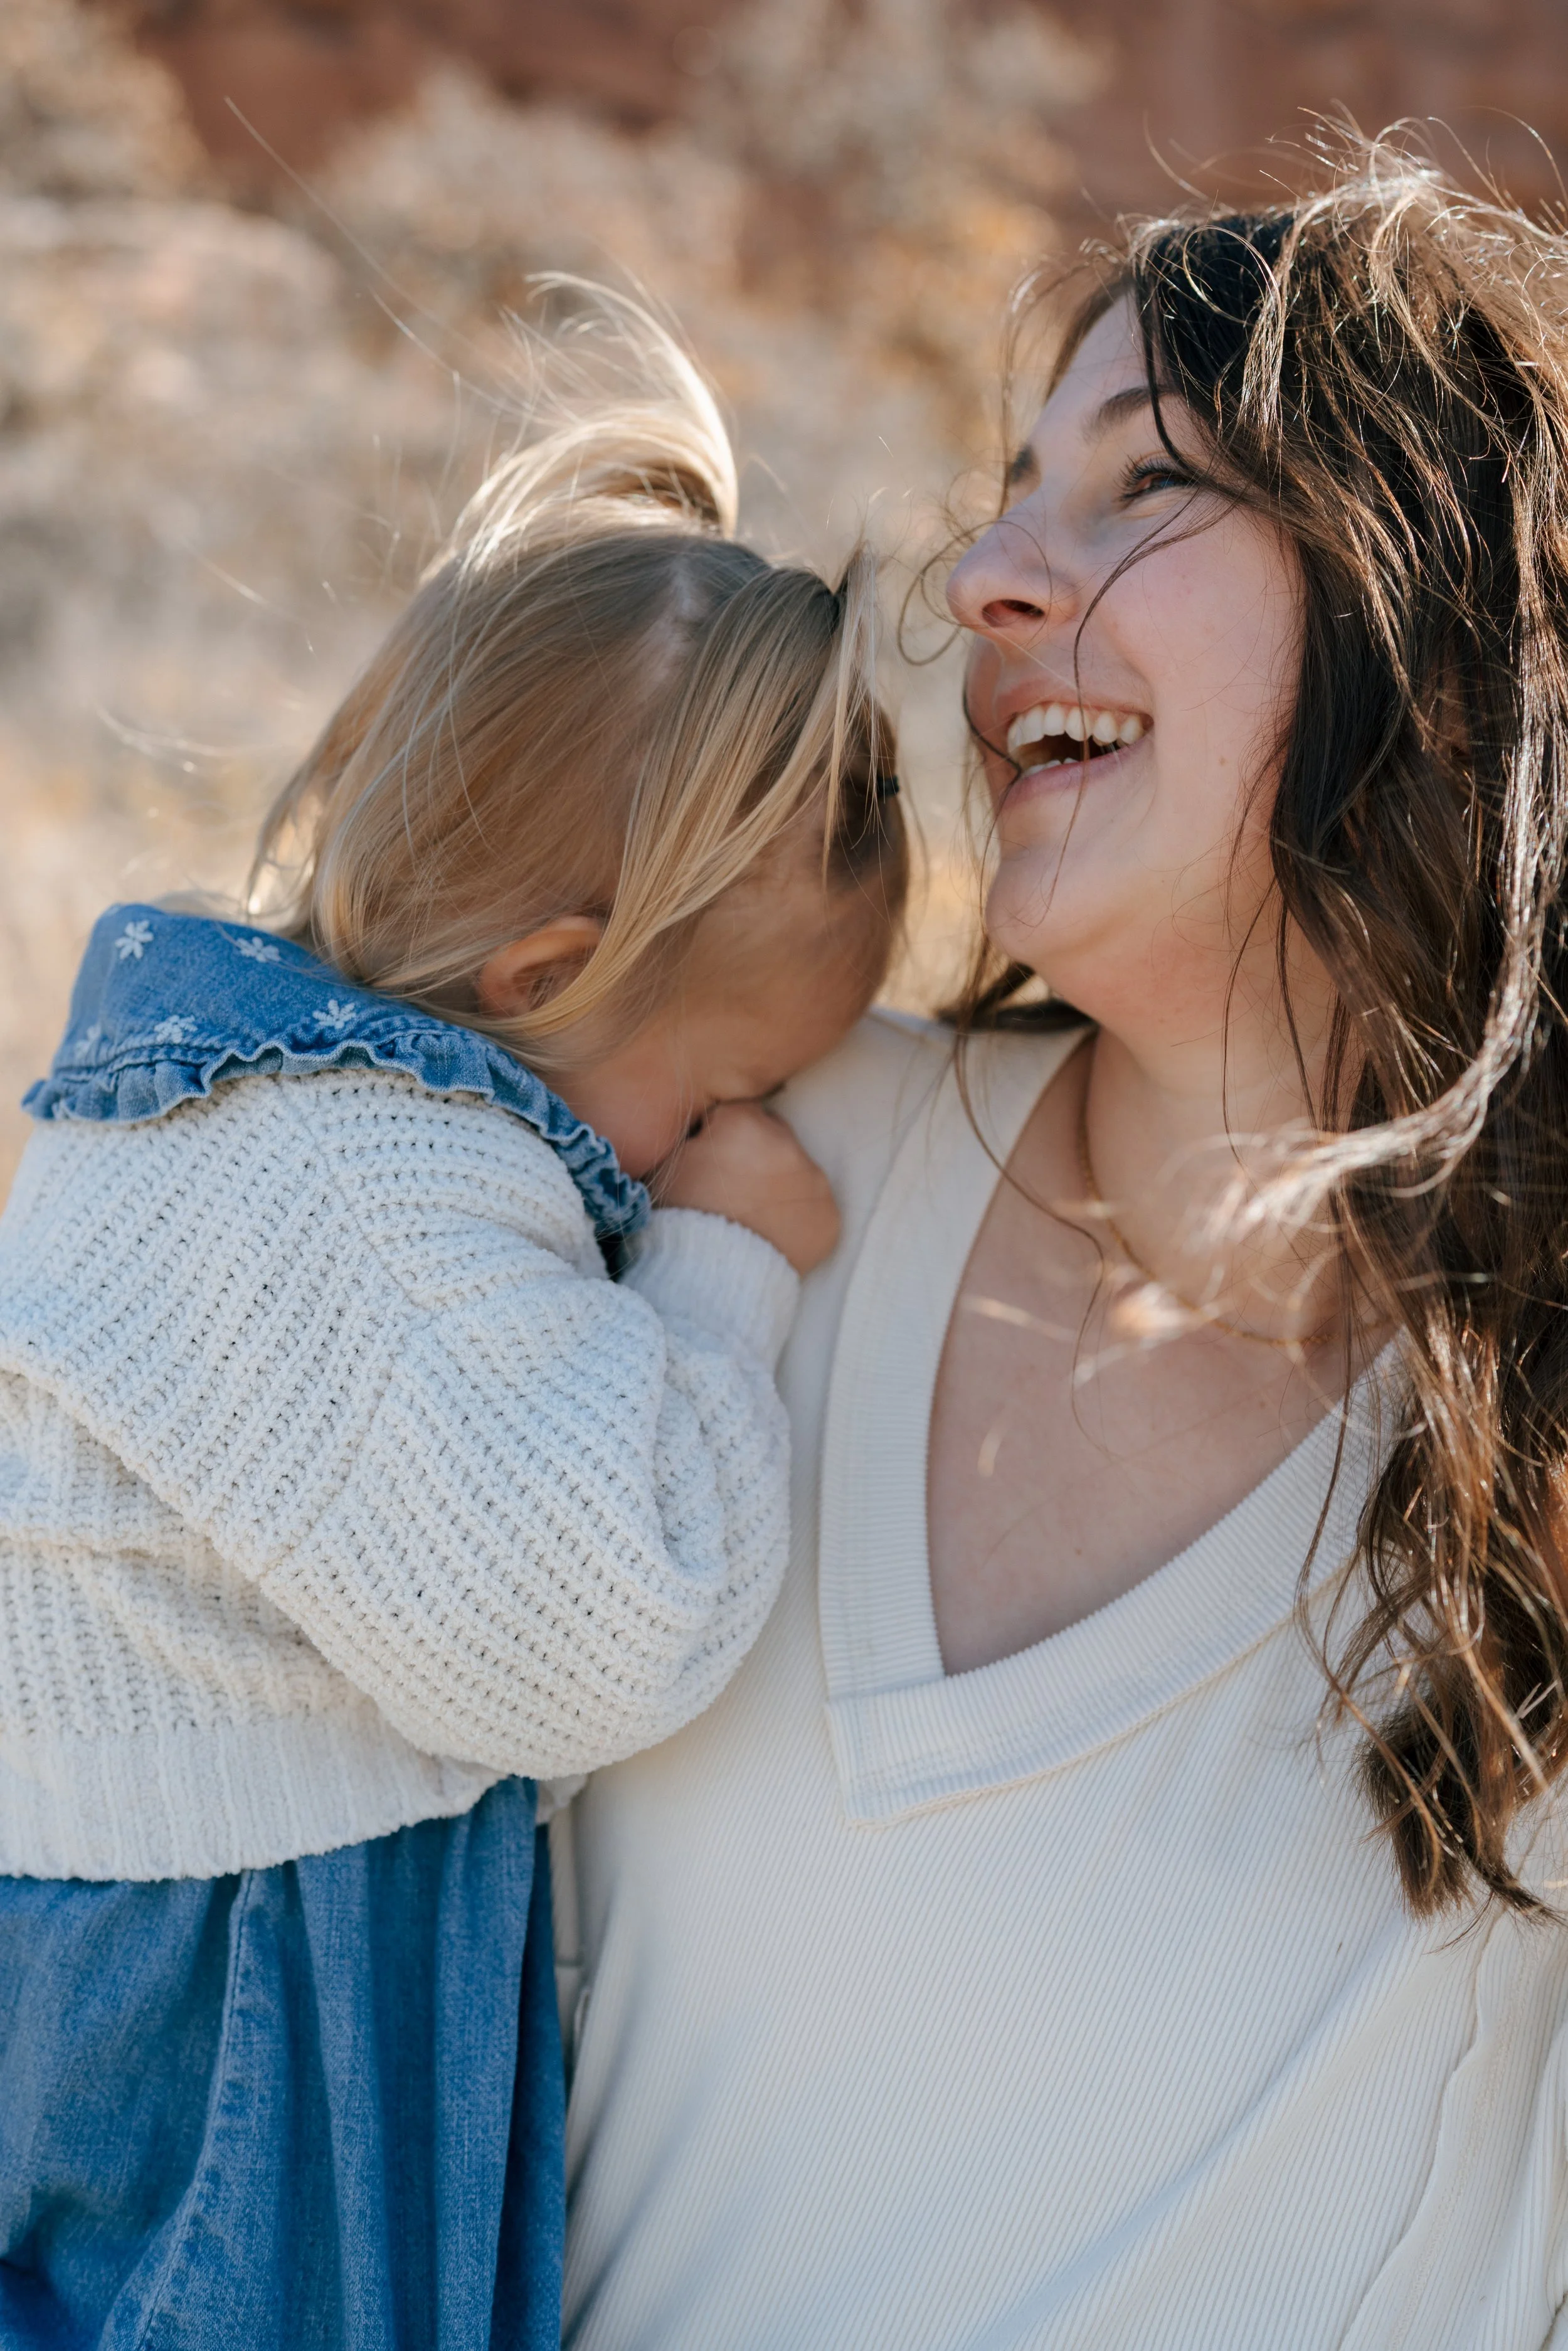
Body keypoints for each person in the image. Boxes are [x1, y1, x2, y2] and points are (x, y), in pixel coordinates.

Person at [560, 144, 1568, 2348]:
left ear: (1435, 601)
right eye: (1013, 497)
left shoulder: (1536, 1472)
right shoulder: (740, 1159)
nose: (992, 579)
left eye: (1142, 487)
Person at [0, 301, 905, 2349]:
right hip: (219, 2002)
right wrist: (724, 1267)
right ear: (542, 973)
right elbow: (602, 1621)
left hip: (130, 1946)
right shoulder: (366, 1187)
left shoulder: (221, 1098)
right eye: (700, 1101)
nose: (699, 1149)